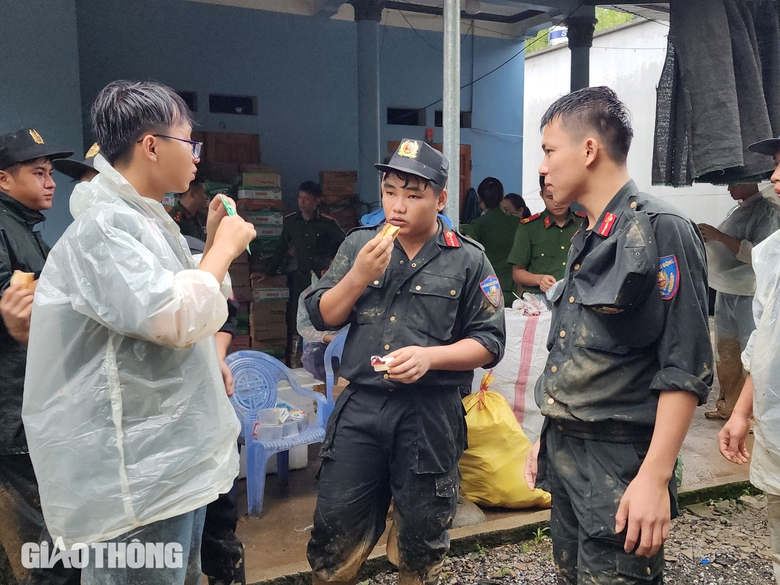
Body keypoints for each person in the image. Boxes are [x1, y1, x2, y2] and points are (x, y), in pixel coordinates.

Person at [22, 80, 256, 585]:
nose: (197, 156)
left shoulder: (146, 222)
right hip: (134, 475)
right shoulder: (103, 227)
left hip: (167, 464)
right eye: (188, 142)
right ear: (151, 145)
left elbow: (189, 304)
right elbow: (169, 316)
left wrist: (211, 244)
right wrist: (223, 251)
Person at [524, 87, 713, 584]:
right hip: (569, 450)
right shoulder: (590, 234)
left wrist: (654, 476)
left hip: (620, 461)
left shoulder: (660, 228)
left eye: (548, 151)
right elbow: (575, 347)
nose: (541, 167)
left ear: (588, 150)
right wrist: (549, 427)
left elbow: (685, 365)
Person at [305, 139, 505, 585]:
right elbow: (323, 315)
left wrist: (431, 358)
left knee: (421, 537)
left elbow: (490, 342)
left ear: (440, 198)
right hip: (361, 407)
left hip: (429, 414)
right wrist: (357, 276)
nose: (398, 205)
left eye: (414, 195)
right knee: (335, 529)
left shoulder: (467, 258)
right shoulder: (361, 244)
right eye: (390, 191)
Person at [0, 128, 78, 585]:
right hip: (15, 414)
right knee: (44, 546)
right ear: (4, 180)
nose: (50, 182)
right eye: (38, 172)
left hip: (37, 408)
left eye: (50, 173)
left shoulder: (28, 230)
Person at [719, 133, 780, 585]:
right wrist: (741, 413)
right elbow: (765, 342)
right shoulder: (773, 254)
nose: (774, 178)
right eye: (774, 166)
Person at [697, 182, 780, 420]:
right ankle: (728, 406)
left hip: (749, 292)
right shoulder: (737, 211)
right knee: (726, 351)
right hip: (726, 289)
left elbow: (760, 254)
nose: (728, 189)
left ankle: (750, 414)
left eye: (733, 183)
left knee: (750, 352)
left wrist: (720, 236)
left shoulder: (768, 212)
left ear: (748, 181)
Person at [259, 181, 345, 341]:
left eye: (307, 198)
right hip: (301, 276)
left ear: (317, 201)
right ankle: (297, 353)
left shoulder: (327, 223)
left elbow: (346, 245)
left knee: (322, 315)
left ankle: (323, 347)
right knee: (296, 316)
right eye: (300, 197)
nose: (302, 202)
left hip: (324, 279)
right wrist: (268, 272)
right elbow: (281, 248)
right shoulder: (291, 222)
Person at [507, 175, 584, 298]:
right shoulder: (529, 228)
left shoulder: (585, 224)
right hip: (539, 300)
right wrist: (539, 279)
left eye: (562, 195)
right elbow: (517, 273)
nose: (556, 202)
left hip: (576, 297)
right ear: (541, 195)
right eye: (550, 197)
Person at [460, 177, 520, 306]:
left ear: (480, 199)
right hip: (514, 292)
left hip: (486, 292)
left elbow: (466, 258)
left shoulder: (478, 225)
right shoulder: (517, 223)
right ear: (501, 198)